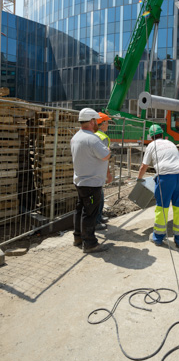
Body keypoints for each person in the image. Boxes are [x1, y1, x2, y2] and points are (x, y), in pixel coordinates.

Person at [137, 124, 179, 248]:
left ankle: (158, 238)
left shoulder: (151, 146)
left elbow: (144, 166)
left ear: (151, 136)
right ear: (162, 135)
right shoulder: (171, 143)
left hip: (165, 177)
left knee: (162, 207)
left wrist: (139, 179)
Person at [70, 108, 111, 253]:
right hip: (92, 183)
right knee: (90, 213)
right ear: (92, 121)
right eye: (97, 122)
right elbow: (105, 155)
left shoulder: (76, 137)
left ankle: (78, 237)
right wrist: (109, 150)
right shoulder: (93, 139)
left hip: (80, 181)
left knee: (80, 209)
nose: (97, 125)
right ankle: (90, 243)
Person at [95, 112, 113, 230]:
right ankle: (96, 220)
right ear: (102, 124)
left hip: (94, 170)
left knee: (99, 195)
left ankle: (99, 217)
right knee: (98, 196)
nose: (108, 125)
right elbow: (104, 158)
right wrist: (108, 173)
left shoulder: (94, 135)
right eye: (107, 122)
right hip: (99, 171)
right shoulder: (103, 137)